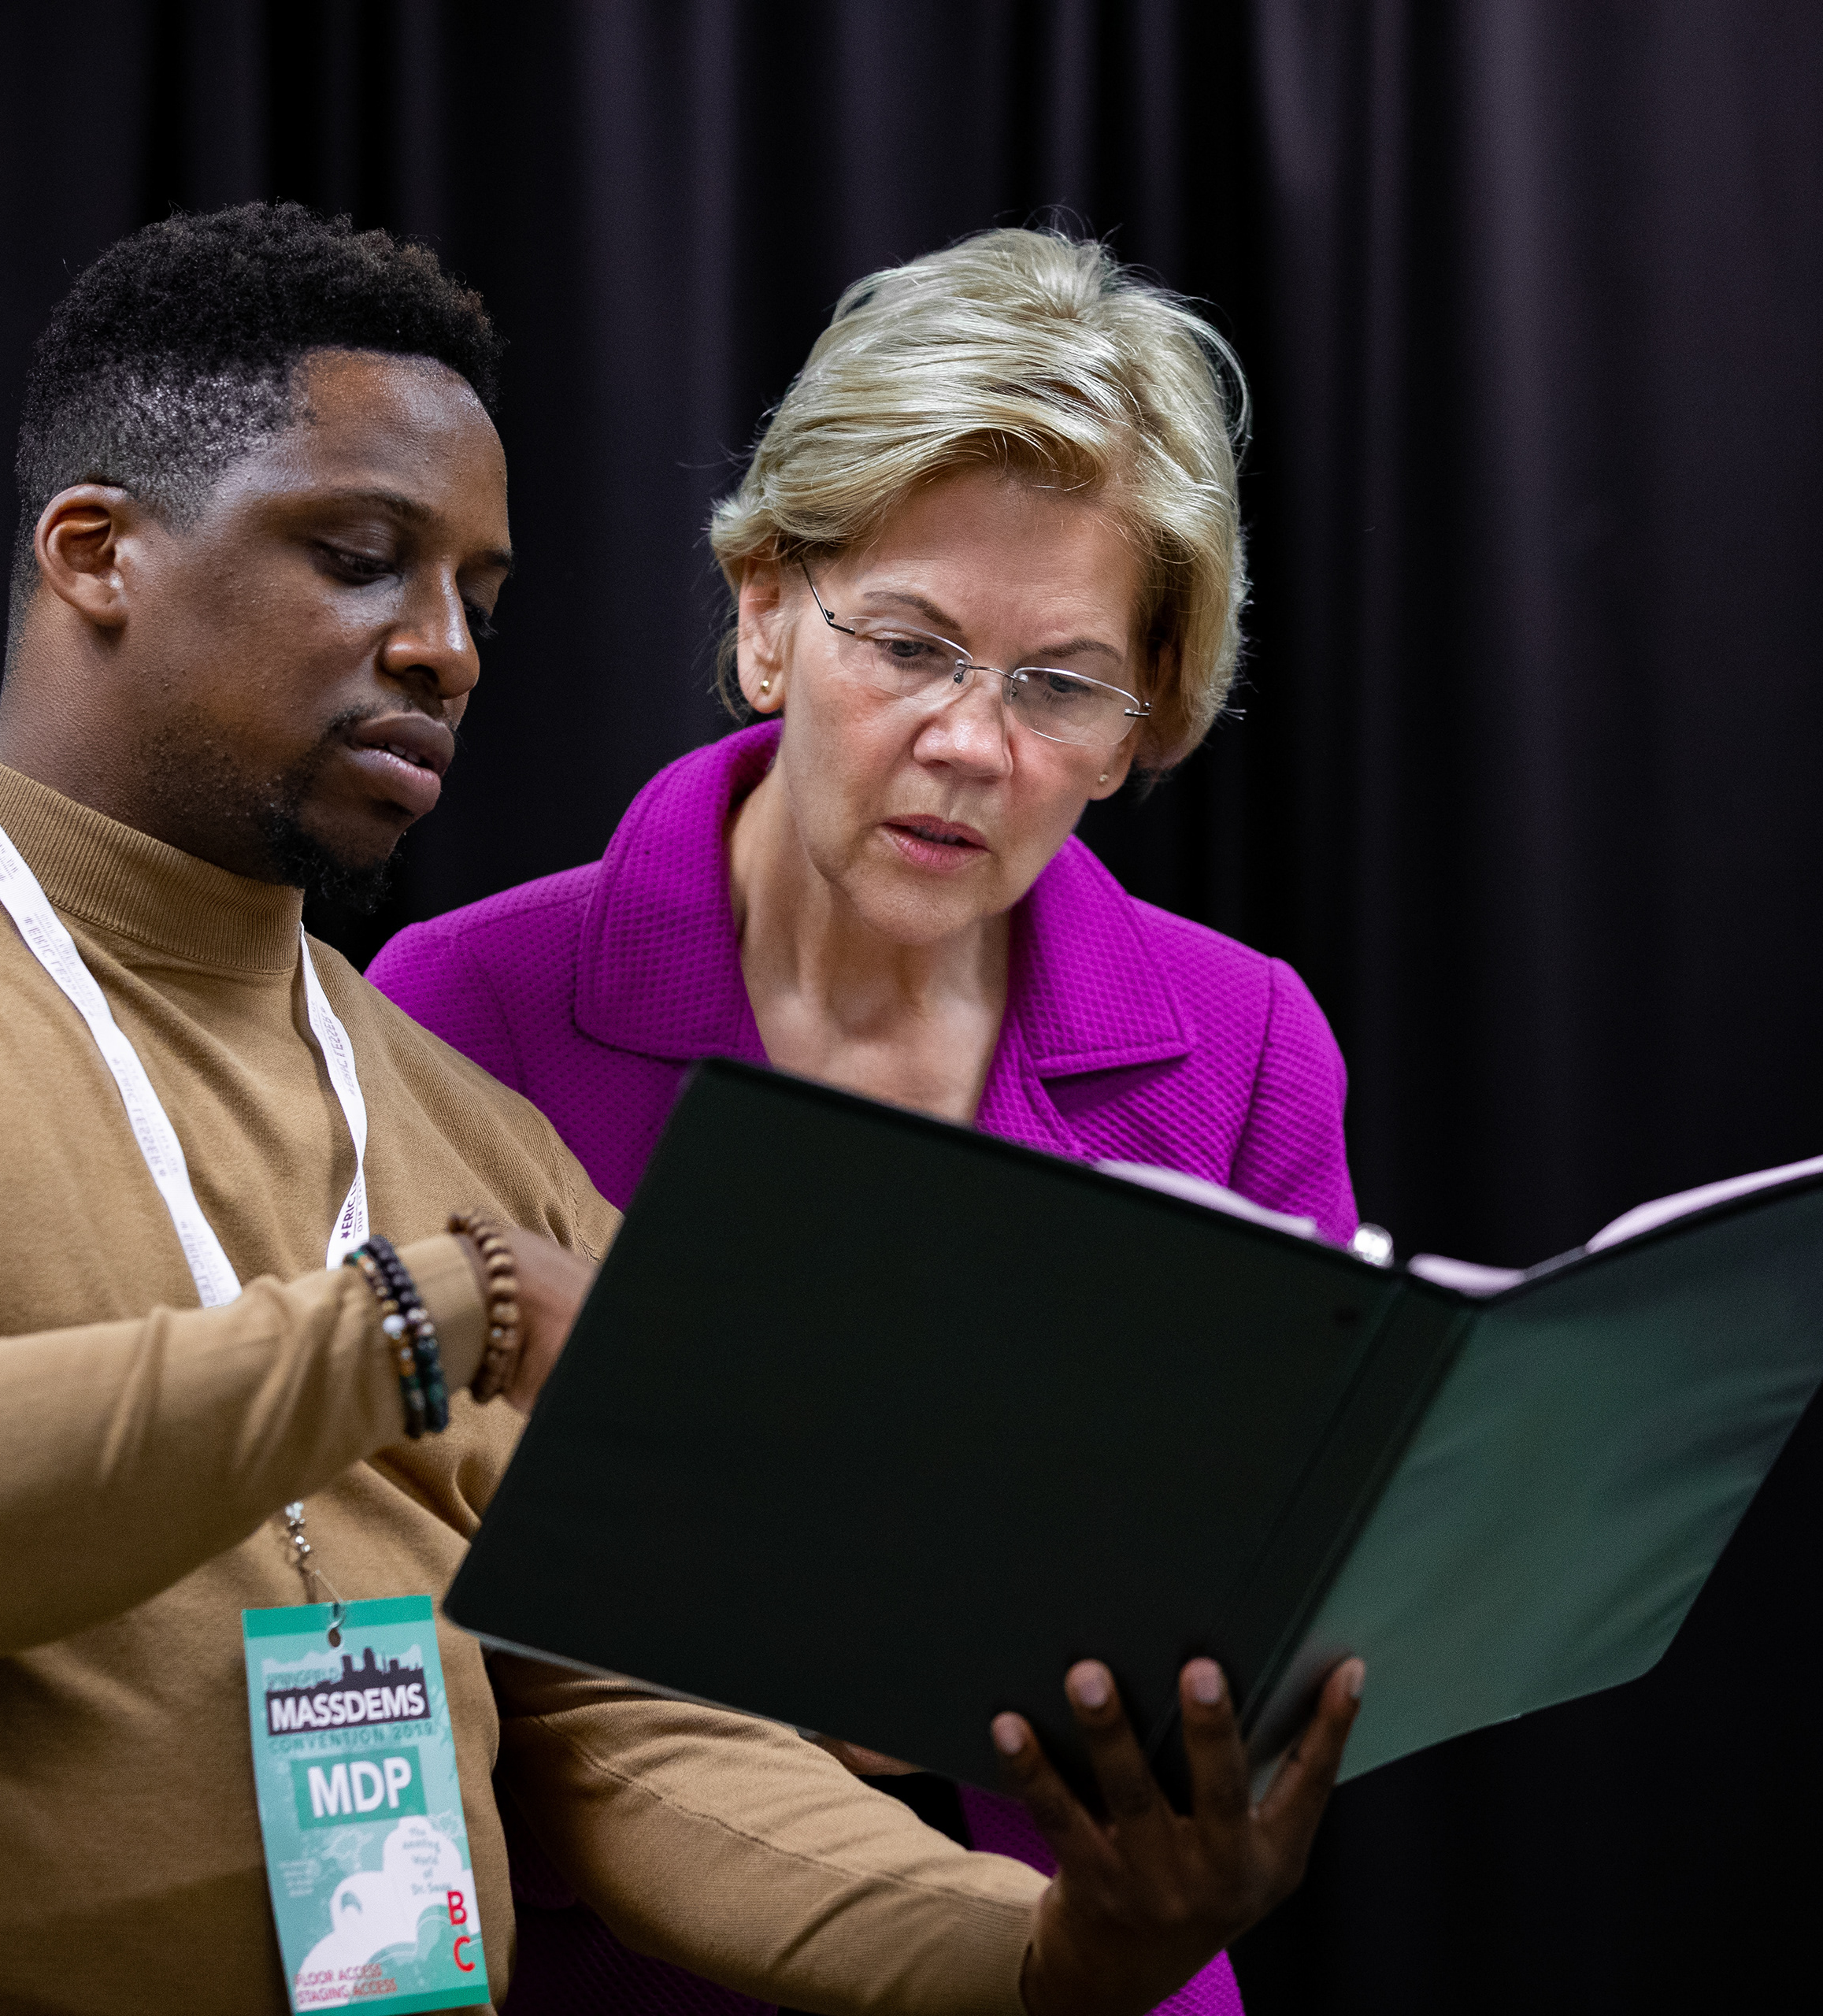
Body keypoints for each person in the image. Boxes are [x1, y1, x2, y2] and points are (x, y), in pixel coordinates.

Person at [0, 204, 1362, 2016]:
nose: (445, 648)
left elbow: (638, 1734)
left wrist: (1055, 1951)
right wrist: (432, 1314)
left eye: (477, 592)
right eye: (358, 555)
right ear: (94, 552)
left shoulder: (456, 1109)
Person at [372, 228, 1358, 2016]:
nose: (971, 741)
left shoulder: (1245, 1040)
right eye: (907, 645)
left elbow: (1281, 1608)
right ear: (762, 612)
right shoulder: (465, 1004)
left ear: (1142, 726)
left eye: (1060, 682)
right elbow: (375, 1620)